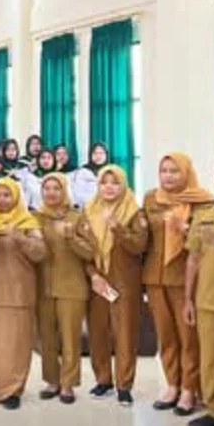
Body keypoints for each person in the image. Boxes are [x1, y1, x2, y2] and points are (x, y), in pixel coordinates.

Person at [143, 152, 214, 414]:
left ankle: (189, 389)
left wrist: (182, 228)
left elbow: (202, 244)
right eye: (164, 171)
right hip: (154, 277)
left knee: (189, 339)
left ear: (186, 172)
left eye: (174, 171)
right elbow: (145, 237)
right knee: (166, 336)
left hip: (186, 279)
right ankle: (172, 385)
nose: (168, 176)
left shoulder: (202, 201)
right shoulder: (151, 199)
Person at [84, 165, 147, 407]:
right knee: (98, 332)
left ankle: (124, 385)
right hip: (98, 281)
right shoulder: (89, 210)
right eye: (104, 182)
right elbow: (82, 249)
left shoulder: (133, 212)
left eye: (115, 182)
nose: (109, 187)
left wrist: (118, 229)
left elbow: (139, 245)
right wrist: (93, 274)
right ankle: (103, 380)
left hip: (125, 281)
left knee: (125, 333)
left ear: (123, 185)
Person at [0, 177, 46, 410]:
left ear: (17, 197)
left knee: (18, 343)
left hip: (20, 291)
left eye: (7, 195)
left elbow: (40, 253)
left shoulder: (28, 222)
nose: (2, 200)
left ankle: (14, 389)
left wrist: (19, 236)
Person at [33, 173, 96, 404]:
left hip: (71, 286)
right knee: (46, 338)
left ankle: (68, 383)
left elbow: (91, 252)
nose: (51, 193)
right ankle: (52, 380)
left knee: (70, 338)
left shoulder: (77, 217)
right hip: (43, 287)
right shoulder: (35, 218)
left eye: (56, 188)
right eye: (46, 188)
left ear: (65, 191)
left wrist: (71, 239)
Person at [185, 197, 214, 426]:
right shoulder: (203, 216)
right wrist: (187, 299)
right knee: (210, 360)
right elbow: (193, 259)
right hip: (208, 301)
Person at [70, 143, 110, 209]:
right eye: (95, 153)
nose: (98, 156)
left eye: (101, 153)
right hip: (87, 208)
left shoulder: (111, 171)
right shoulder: (82, 171)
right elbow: (78, 194)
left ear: (106, 155)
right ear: (90, 155)